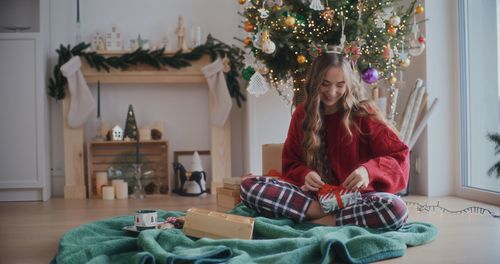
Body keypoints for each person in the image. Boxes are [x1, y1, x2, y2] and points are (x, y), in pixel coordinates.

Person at [240, 48, 410, 231]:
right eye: (325, 84)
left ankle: (314, 221)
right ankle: (323, 215)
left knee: (396, 209)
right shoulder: (302, 115)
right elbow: (291, 163)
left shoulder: (364, 113)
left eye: (340, 85)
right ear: (314, 82)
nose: (332, 91)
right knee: (249, 186)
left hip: (356, 199)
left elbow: (399, 156)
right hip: (314, 199)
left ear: (349, 85)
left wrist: (368, 171)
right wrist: (305, 174)